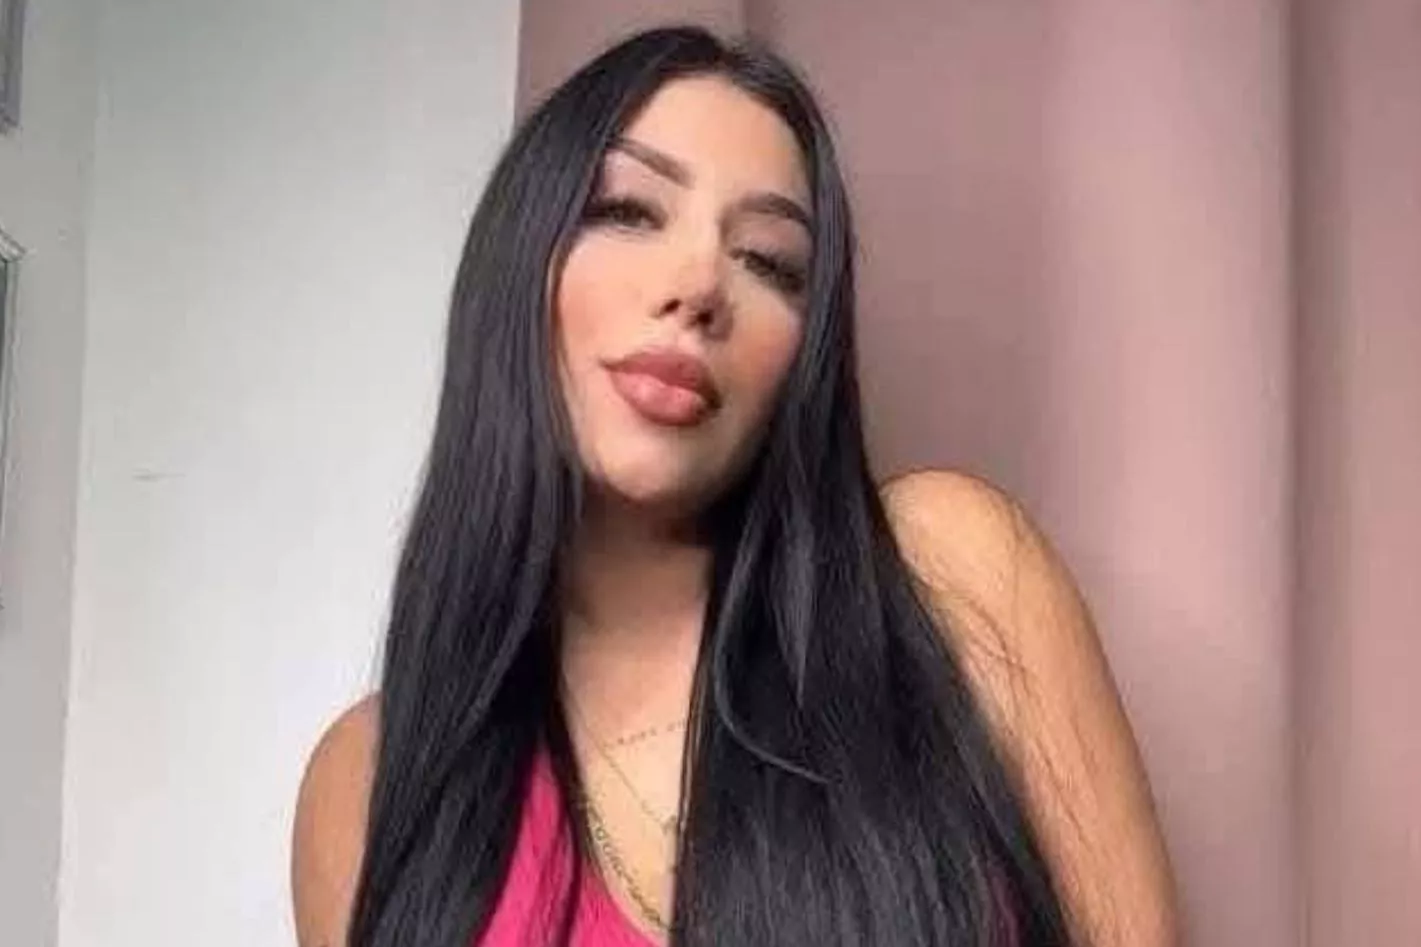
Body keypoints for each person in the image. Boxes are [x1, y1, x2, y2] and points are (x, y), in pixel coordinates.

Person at [291, 24, 1179, 947]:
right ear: (515, 266)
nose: (699, 284)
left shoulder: (952, 577)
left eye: (768, 261)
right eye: (628, 210)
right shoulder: (369, 785)